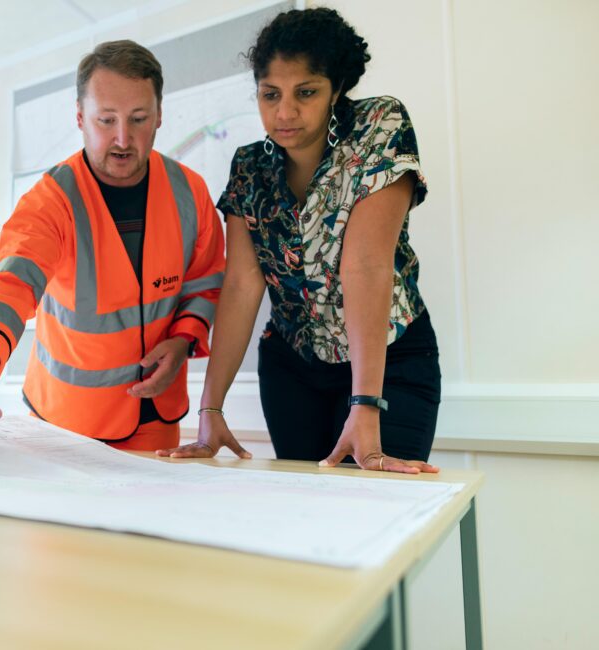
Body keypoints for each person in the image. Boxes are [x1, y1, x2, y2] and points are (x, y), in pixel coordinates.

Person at [0, 41, 225, 452]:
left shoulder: (190, 192)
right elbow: (10, 281)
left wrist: (184, 338)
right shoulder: (50, 200)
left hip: (157, 417)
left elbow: (204, 282)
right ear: (80, 118)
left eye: (138, 119)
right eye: (105, 120)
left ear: (160, 117)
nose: (122, 138)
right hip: (66, 425)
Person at [157, 8, 441, 473]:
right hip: (292, 371)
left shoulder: (378, 127)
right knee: (308, 522)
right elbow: (243, 286)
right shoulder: (250, 167)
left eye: (305, 93)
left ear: (336, 90)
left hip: (388, 363)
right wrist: (210, 410)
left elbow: (364, 266)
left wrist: (365, 403)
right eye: (270, 95)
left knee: (374, 514)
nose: (284, 112)